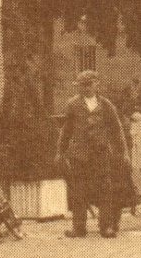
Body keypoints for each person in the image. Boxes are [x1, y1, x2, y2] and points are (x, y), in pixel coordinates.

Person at [56, 70, 133, 238]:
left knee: (105, 191)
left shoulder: (106, 105)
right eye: (80, 86)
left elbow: (117, 130)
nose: (83, 89)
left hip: (100, 155)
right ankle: (79, 228)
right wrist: (60, 152)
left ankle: (106, 227)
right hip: (79, 156)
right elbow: (66, 130)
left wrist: (124, 152)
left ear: (95, 85)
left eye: (86, 85)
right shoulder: (73, 105)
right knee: (78, 192)